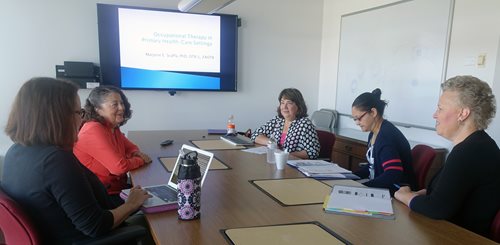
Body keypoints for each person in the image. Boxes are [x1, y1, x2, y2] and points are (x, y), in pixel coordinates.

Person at [1, 77, 151, 244]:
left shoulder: (15, 152)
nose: (81, 120)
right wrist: (131, 204)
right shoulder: (56, 161)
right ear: (57, 116)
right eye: (79, 113)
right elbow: (95, 226)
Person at [395, 75, 500, 237]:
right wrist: (421, 194)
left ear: (463, 114)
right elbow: (447, 192)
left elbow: (437, 208)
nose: (434, 115)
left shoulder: (469, 152)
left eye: (440, 108)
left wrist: (405, 196)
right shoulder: (477, 144)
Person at [74, 86, 152, 206]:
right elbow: (118, 168)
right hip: (103, 197)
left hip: (118, 188)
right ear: (97, 109)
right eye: (114, 104)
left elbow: (131, 147)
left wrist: (134, 154)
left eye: (121, 103)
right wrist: (140, 160)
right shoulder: (93, 130)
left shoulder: (111, 126)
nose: (121, 108)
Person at [351, 88, 417, 193]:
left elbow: (393, 173)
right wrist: (349, 177)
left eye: (359, 118)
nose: (357, 123)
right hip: (383, 188)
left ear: (373, 112)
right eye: (354, 119)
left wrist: (362, 188)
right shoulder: (374, 133)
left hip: (397, 193)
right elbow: (371, 167)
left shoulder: (386, 137)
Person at [251, 88, 320, 159]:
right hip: (276, 162)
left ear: (298, 106)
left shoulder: (305, 124)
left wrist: (284, 154)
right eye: (282, 103)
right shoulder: (277, 120)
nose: (284, 107)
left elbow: (312, 152)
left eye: (289, 103)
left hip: (293, 165)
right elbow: (255, 135)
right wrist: (271, 143)